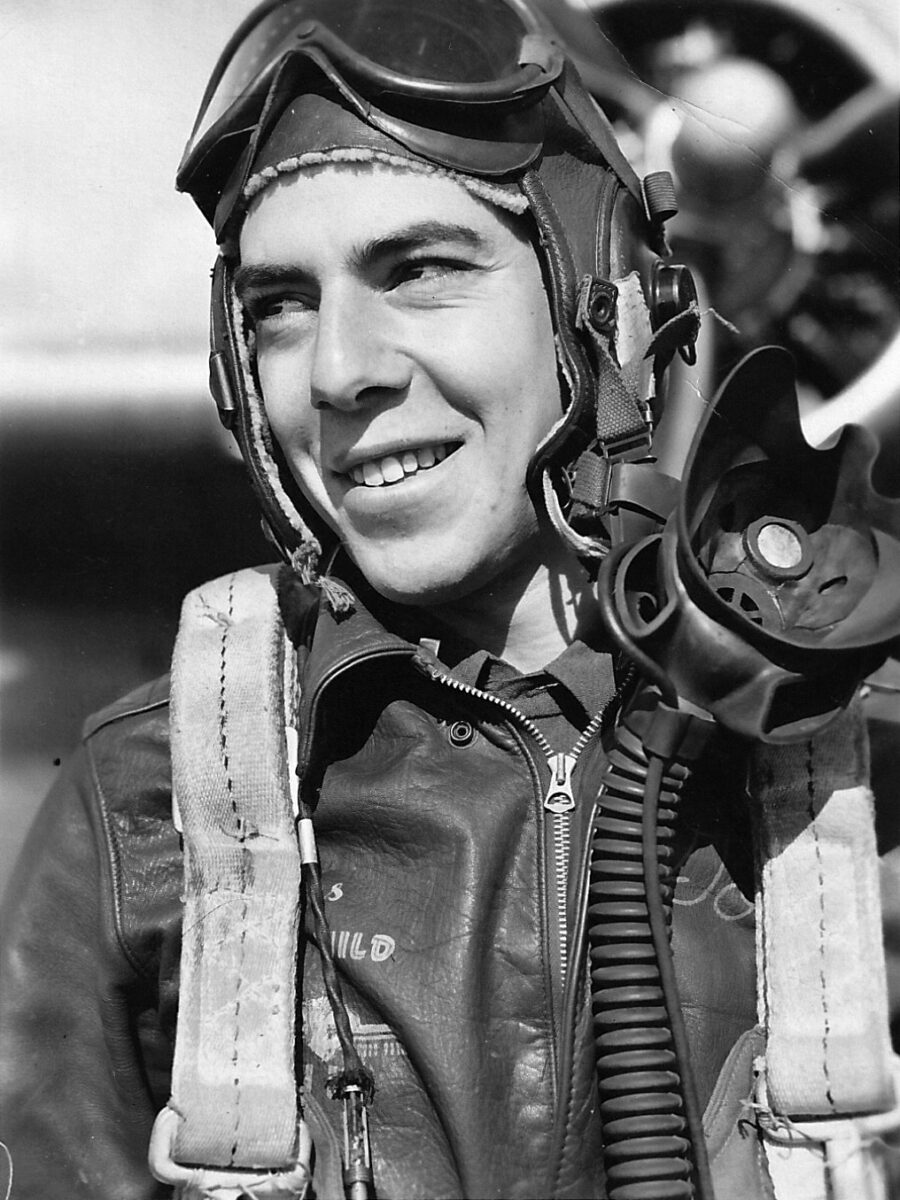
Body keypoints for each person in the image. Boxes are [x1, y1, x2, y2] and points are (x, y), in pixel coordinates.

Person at [1, 2, 898, 1198]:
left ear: (611, 309)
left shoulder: (863, 757)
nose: (337, 370)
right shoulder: (151, 802)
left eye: (421, 271)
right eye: (279, 305)